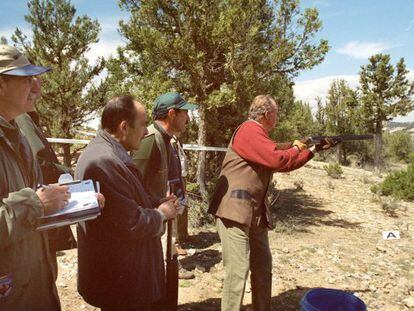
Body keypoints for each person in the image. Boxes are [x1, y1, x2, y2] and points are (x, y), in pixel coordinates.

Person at [208, 95, 335, 311]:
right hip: (234, 211)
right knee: (238, 271)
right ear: (268, 114)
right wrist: (296, 147)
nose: (278, 117)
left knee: (263, 267)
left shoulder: (259, 136)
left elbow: (283, 162)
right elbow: (278, 158)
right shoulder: (249, 130)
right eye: (276, 113)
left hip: (254, 212)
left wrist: (313, 150)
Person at [75, 95, 180, 311]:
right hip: (122, 284)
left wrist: (157, 201)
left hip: (125, 279)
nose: (146, 131)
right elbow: (129, 222)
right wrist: (161, 213)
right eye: (142, 125)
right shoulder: (104, 162)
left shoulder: (111, 154)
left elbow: (131, 197)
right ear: (124, 127)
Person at [0, 44, 71, 310]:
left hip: (33, 286)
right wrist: (36, 204)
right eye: (26, 79)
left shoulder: (17, 134)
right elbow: (33, 203)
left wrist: (76, 202)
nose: (37, 87)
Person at [132, 92, 197, 279]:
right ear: (171, 114)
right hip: (148, 224)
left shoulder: (165, 139)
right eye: (185, 113)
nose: (189, 118)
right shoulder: (150, 140)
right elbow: (134, 184)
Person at [14, 76, 76, 255]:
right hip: (40, 211)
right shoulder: (22, 117)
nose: (36, 83)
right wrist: (71, 173)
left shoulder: (26, 116)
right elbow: (39, 162)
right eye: (28, 78)